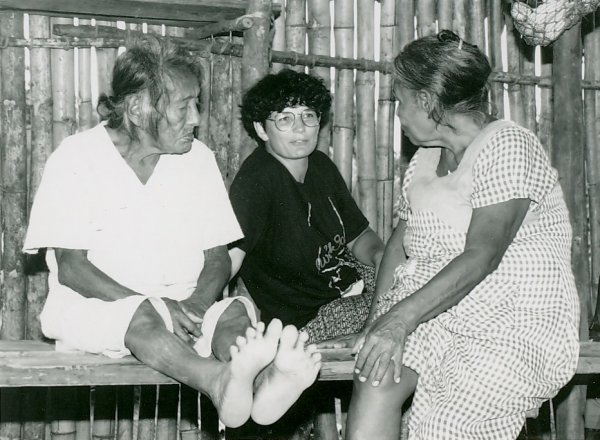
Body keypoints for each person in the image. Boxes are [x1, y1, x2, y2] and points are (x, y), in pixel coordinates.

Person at [22, 36, 321, 429]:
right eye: (184, 106)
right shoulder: (76, 158)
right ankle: (216, 382)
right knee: (142, 314)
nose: (196, 118)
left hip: (184, 311)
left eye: (197, 104)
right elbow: (72, 268)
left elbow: (217, 255)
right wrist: (158, 305)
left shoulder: (198, 159)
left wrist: (197, 306)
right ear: (137, 108)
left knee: (233, 313)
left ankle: (263, 384)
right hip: (100, 310)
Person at [321, 30, 580, 440]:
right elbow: (398, 250)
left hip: (511, 320)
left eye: (401, 102)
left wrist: (400, 321)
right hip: (436, 314)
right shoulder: (425, 159)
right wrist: (376, 326)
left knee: (447, 424)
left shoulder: (508, 145)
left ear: (426, 102)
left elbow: (482, 256)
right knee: (374, 376)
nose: (400, 115)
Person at [228, 69, 385, 344]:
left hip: (357, 287)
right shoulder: (257, 180)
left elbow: (358, 236)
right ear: (261, 129)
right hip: (310, 317)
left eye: (308, 116)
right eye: (285, 119)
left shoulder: (321, 166)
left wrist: (381, 257)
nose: (300, 129)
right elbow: (231, 256)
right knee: (413, 318)